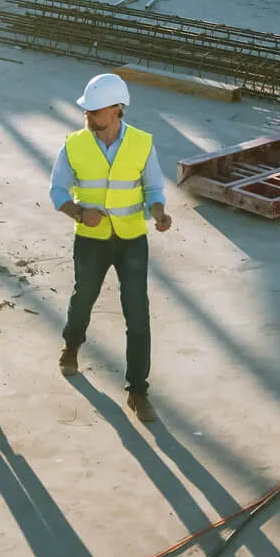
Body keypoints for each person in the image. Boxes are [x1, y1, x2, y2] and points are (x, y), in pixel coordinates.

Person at [49, 72, 171, 423]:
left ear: (117, 109)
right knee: (82, 297)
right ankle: (72, 345)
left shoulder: (142, 144)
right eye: (86, 110)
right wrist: (77, 211)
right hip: (91, 240)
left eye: (95, 111)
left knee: (137, 314)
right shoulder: (73, 144)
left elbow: (154, 191)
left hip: (132, 239)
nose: (88, 116)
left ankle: (137, 390)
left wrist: (159, 213)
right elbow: (57, 190)